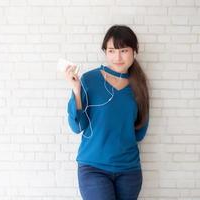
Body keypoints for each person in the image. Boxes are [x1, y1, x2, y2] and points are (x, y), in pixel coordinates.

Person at [64, 25, 150, 200]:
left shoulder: (139, 85)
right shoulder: (89, 80)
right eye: (111, 51)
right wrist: (76, 90)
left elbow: (140, 131)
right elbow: (77, 126)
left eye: (123, 50)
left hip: (129, 171)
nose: (117, 57)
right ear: (105, 52)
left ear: (134, 51)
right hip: (93, 168)